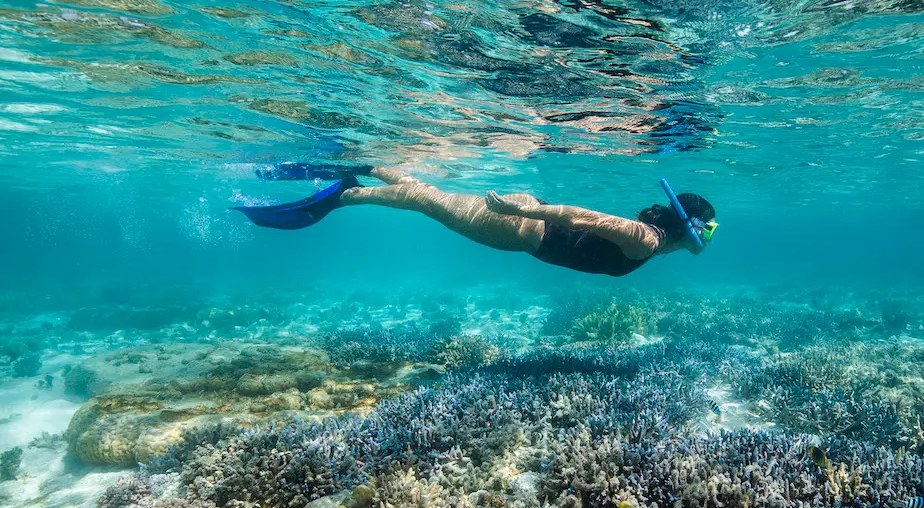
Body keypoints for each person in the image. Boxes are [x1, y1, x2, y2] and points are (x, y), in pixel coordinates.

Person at [233, 163, 717, 277]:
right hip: (522, 226)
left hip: (528, 223)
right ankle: (343, 195)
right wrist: (523, 210)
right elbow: (580, 215)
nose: (705, 242)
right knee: (425, 200)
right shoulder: (647, 241)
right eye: (705, 232)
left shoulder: (654, 239)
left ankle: (362, 163)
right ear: (687, 227)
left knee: (431, 196)